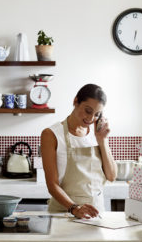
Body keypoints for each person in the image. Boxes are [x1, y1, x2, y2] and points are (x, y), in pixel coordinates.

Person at [41, 84, 117, 219]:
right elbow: (52, 185)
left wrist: (102, 140)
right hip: (64, 212)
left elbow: (111, 176)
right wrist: (74, 208)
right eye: (88, 111)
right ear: (75, 101)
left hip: (96, 213)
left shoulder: (97, 134)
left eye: (97, 114)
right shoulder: (51, 134)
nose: (91, 119)